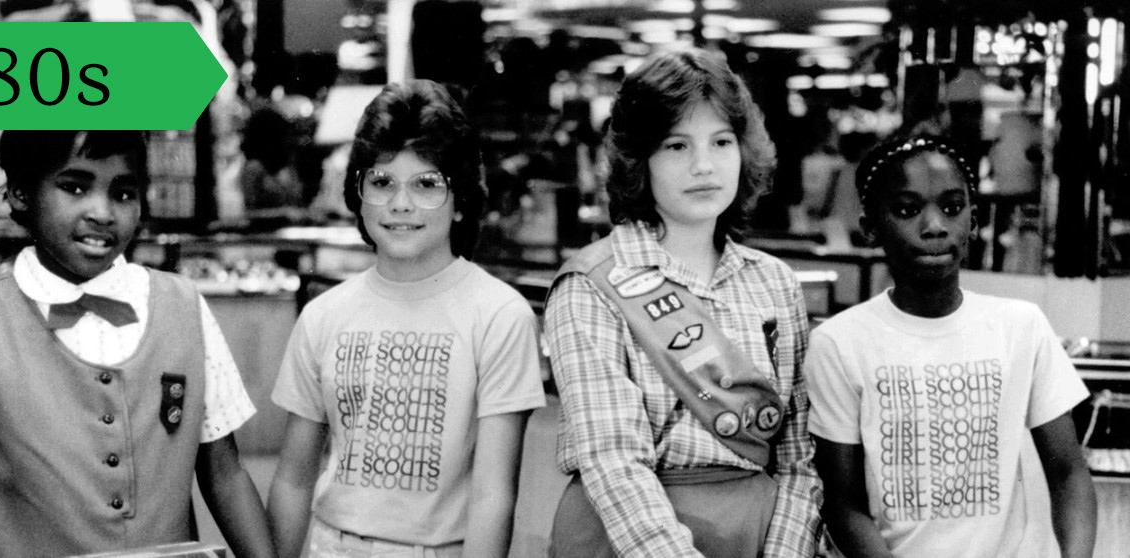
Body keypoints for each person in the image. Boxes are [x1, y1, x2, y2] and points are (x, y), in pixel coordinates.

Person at [0, 131, 274, 558]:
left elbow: (225, 473)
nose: (103, 212)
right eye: (75, 187)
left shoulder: (184, 305)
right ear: (20, 193)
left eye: (124, 192)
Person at [544, 48, 822, 557]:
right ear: (639, 159)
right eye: (676, 145)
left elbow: (799, 461)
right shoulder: (593, 285)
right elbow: (614, 460)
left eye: (721, 142)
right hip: (629, 537)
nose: (703, 165)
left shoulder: (775, 283)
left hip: (757, 532)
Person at [266, 79, 546, 558]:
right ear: (358, 192)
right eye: (382, 182)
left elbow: (493, 497)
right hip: (331, 546)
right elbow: (293, 480)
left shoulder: (499, 315)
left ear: (461, 201)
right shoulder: (323, 315)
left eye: (427, 184)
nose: (400, 203)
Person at [805, 135, 1096, 558]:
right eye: (907, 210)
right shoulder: (839, 343)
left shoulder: (1021, 326)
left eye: (952, 207)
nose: (935, 225)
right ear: (871, 228)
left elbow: (1069, 472)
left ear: (973, 221)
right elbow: (843, 504)